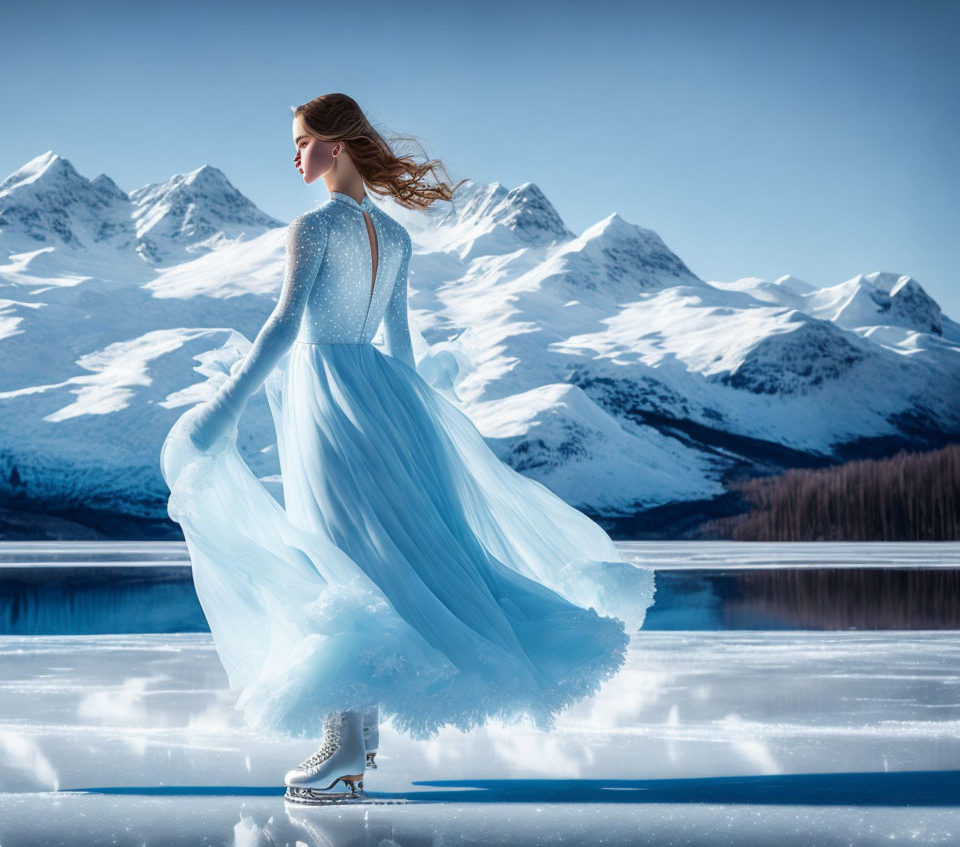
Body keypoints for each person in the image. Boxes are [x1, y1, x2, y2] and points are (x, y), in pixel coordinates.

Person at [159, 93, 655, 804]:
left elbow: (282, 326)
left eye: (301, 141)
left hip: (327, 404)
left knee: (341, 566)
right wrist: (418, 414)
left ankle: (342, 748)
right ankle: (356, 738)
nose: (293, 156)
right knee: (382, 562)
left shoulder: (314, 227)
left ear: (334, 144)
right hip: (385, 401)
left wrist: (222, 409)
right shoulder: (395, 238)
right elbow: (397, 342)